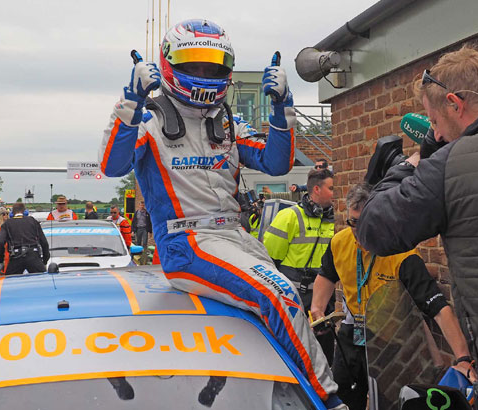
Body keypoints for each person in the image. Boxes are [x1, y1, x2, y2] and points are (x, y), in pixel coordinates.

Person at [99, 19, 345, 409]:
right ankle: (330, 402)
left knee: (276, 316)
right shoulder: (147, 118)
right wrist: (130, 100)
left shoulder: (228, 120)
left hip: (236, 237)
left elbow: (277, 164)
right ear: (167, 64)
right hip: (186, 243)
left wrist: (283, 108)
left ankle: (281, 395)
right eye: (191, 64)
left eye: (211, 65)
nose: (202, 74)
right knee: (280, 295)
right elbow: (112, 167)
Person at [356, 45, 478, 378]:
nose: (438, 134)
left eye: (434, 121)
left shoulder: (450, 164)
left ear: (455, 104)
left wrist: (412, 163)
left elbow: (374, 228)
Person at [313, 183, 475, 410]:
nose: (358, 231)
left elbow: (438, 308)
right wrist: (318, 308)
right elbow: (326, 275)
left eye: (365, 223)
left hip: (390, 344)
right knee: (341, 401)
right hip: (351, 338)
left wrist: (462, 358)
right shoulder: (339, 242)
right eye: (353, 223)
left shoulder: (401, 253)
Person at [263, 168, 336, 363]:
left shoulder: (336, 220)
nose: (336, 193)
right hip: (294, 297)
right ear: (317, 190)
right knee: (294, 348)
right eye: (332, 188)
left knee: (325, 349)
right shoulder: (289, 217)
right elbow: (269, 258)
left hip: (324, 298)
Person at [0, 202, 49, 275]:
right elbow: (44, 243)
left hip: (16, 256)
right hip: (33, 255)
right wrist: (45, 261)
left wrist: (1, 261)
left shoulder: (7, 224)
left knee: (9, 282)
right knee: (42, 279)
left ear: (12, 213)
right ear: (25, 212)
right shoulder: (33, 221)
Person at [0, 206, 10, 275]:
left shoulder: (11, 226)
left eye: (7, 213)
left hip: (9, 253)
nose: (6, 216)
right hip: (0, 254)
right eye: (3, 214)